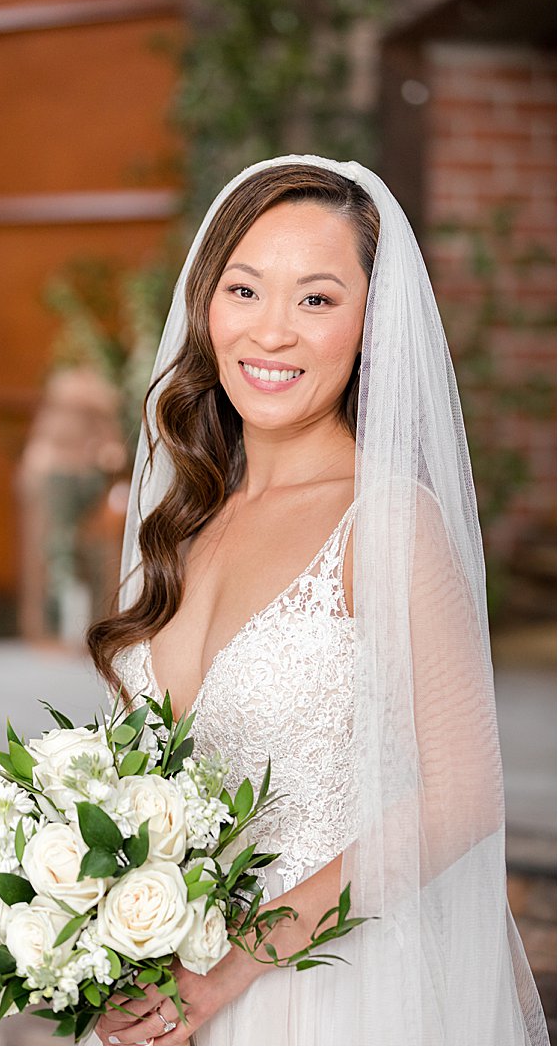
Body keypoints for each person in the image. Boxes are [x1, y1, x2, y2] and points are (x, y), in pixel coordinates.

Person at [86, 157, 546, 1045]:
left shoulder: (389, 519)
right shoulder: (179, 521)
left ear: (372, 324)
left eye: (318, 300)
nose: (272, 333)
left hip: (329, 996)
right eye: (246, 289)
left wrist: (226, 974)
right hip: (166, 997)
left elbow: (462, 797)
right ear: (205, 305)